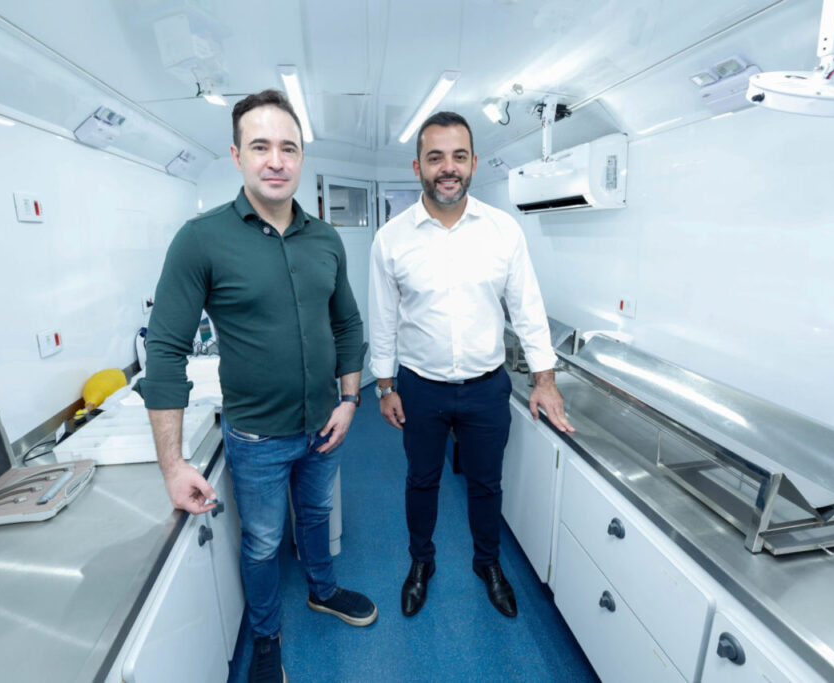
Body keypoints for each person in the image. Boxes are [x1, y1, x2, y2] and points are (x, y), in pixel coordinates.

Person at [138, 89, 377, 683]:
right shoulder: (201, 239)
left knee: (316, 515)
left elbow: (348, 324)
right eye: (261, 146)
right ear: (237, 155)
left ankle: (322, 590)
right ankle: (267, 638)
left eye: (288, 148)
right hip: (256, 438)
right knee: (264, 542)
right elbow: (164, 350)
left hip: (325, 424)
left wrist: (351, 399)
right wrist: (172, 464)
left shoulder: (325, 239)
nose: (276, 160)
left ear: (301, 158)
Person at [368, 111, 574, 620]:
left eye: (458, 156)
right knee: (422, 482)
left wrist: (545, 381)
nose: (448, 168)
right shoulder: (391, 239)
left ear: (474, 163)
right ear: (418, 166)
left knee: (486, 484)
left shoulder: (503, 231)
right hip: (420, 388)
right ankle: (422, 562)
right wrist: (385, 387)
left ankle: (488, 564)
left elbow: (527, 308)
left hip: (486, 389)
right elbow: (383, 318)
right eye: (435, 157)